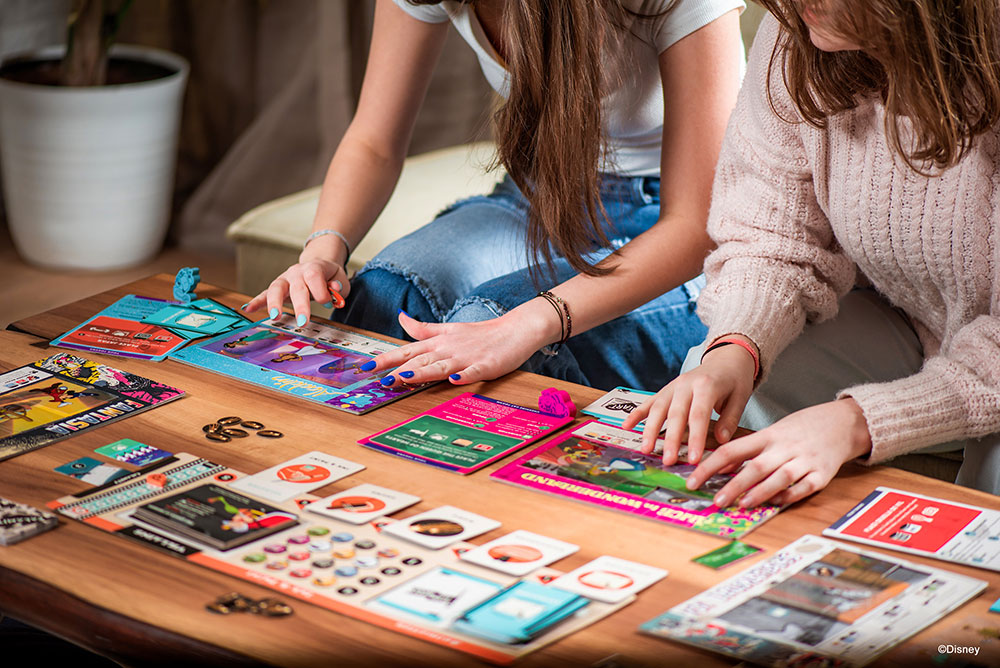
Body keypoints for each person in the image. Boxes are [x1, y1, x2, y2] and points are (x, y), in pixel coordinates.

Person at [244, 0, 745, 391]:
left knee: (486, 326)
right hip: (539, 196)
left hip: (678, 228)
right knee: (385, 295)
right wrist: (323, 251)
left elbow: (695, 224)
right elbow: (374, 142)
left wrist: (526, 324)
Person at [624, 0, 1000, 505]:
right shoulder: (801, 29)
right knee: (715, 377)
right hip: (921, 328)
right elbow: (771, 233)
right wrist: (737, 345)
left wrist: (858, 422)